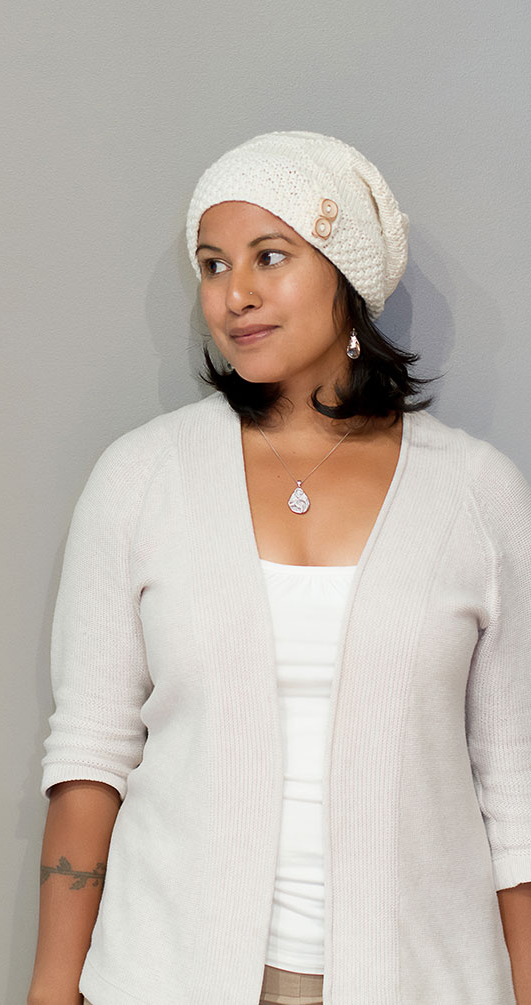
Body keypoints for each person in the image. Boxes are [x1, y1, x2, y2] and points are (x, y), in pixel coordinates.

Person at [27, 132, 531, 1005]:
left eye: (270, 255)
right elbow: (90, 754)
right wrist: (50, 990)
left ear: (346, 272)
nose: (236, 295)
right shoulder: (142, 478)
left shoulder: (475, 496)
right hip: (163, 979)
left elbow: (517, 791)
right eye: (213, 265)